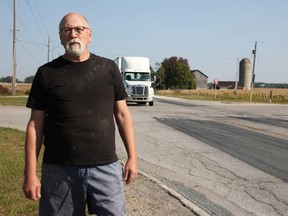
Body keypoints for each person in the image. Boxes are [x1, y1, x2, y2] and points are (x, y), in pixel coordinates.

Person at [22, 12, 138, 216]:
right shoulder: (46, 73)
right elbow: (35, 125)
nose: (73, 34)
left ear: (89, 34)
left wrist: (133, 157)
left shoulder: (108, 68)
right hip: (59, 170)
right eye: (66, 30)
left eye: (78, 29)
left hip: (106, 167)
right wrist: (30, 173)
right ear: (60, 37)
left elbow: (122, 115)